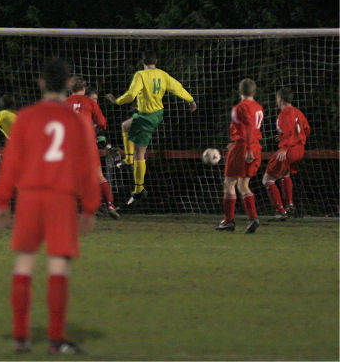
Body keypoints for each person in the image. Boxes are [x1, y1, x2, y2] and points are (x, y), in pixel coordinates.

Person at [0, 58, 100, 355]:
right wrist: (90, 206)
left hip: (28, 198)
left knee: (24, 263)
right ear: (68, 85)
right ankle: (55, 339)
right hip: (61, 199)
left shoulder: (25, 117)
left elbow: (11, 161)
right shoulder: (76, 120)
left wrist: (2, 201)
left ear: (41, 83)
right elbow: (87, 165)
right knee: (58, 266)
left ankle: (20, 337)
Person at [106, 51, 197, 206]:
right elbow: (177, 87)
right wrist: (191, 100)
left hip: (146, 117)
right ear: (156, 61)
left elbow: (131, 94)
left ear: (142, 61)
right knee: (125, 126)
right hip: (155, 114)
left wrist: (117, 101)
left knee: (139, 154)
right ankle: (128, 160)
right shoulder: (162, 74)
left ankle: (139, 190)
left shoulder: (140, 75)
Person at [65, 78, 119, 219]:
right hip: (88, 144)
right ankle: (110, 205)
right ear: (84, 89)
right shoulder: (90, 102)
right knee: (99, 176)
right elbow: (102, 123)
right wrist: (95, 129)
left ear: (70, 89)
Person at [216, 78, 263, 234]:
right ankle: (252, 218)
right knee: (243, 184)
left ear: (240, 91)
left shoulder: (241, 107)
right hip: (255, 146)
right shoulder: (258, 107)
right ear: (254, 91)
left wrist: (246, 147)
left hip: (245, 147)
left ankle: (229, 221)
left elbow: (249, 127)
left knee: (229, 182)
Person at [262, 87, 311, 221]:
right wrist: (286, 137)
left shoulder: (285, 113)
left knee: (267, 179)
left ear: (280, 99)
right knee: (285, 174)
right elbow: (306, 129)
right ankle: (289, 205)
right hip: (299, 149)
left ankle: (280, 211)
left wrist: (284, 147)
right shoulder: (298, 112)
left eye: (277, 98)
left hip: (288, 150)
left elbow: (289, 131)